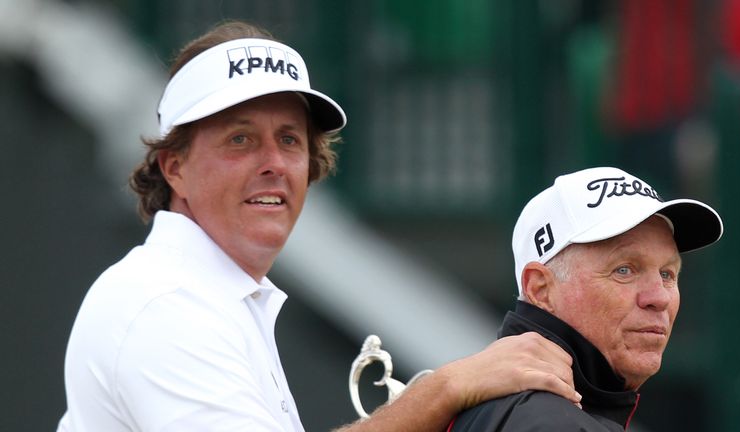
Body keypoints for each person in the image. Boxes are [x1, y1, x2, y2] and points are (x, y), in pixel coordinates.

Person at [57, 20, 581, 432]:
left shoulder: (199, 295)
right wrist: (446, 389)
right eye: (240, 139)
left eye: (289, 140)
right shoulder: (163, 303)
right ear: (175, 167)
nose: (274, 163)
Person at [449, 166, 723, 431]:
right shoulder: (551, 422)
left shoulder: (495, 406)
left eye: (667, 274)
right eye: (624, 270)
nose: (659, 298)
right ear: (540, 289)